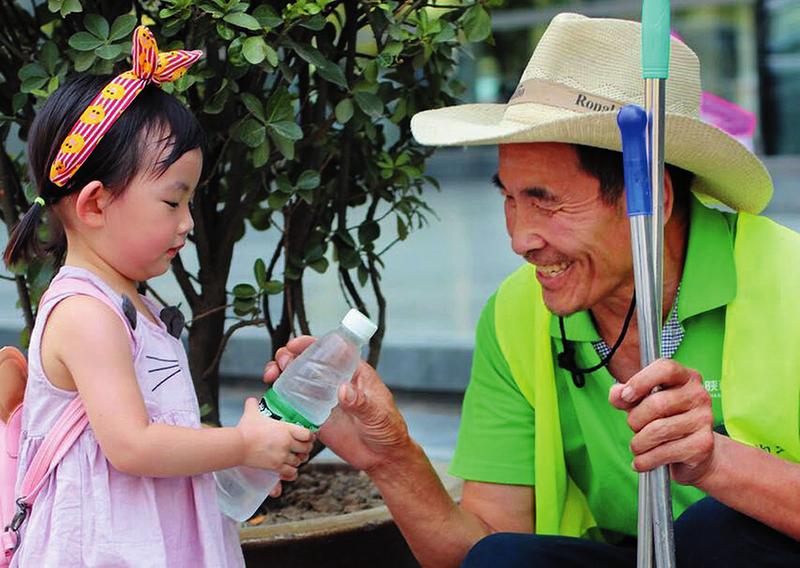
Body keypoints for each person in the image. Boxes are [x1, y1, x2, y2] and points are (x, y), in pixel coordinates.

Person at [264, 13, 800, 568]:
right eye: (511, 198)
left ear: (653, 200)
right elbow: (478, 547)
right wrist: (390, 456)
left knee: (721, 531)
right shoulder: (518, 311)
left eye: (546, 200)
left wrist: (715, 461)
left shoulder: (791, 279)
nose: (520, 238)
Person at [2, 27, 314, 566]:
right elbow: (134, 446)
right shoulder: (85, 314)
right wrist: (240, 443)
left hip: (152, 538)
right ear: (95, 204)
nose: (188, 222)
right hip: (106, 549)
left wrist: (250, 447)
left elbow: (165, 437)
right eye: (173, 202)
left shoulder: (134, 306)